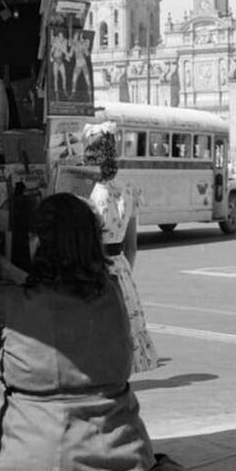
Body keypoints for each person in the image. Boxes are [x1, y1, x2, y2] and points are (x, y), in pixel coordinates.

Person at [0, 193, 200, 471]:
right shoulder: (112, 293)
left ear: (37, 244)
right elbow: (59, 296)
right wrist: (12, 273)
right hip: (122, 460)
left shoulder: (6, 304)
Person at [83, 123, 159, 373]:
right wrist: (124, 272)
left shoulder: (88, 195)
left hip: (94, 267)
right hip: (120, 268)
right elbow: (132, 247)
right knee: (124, 325)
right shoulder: (128, 191)